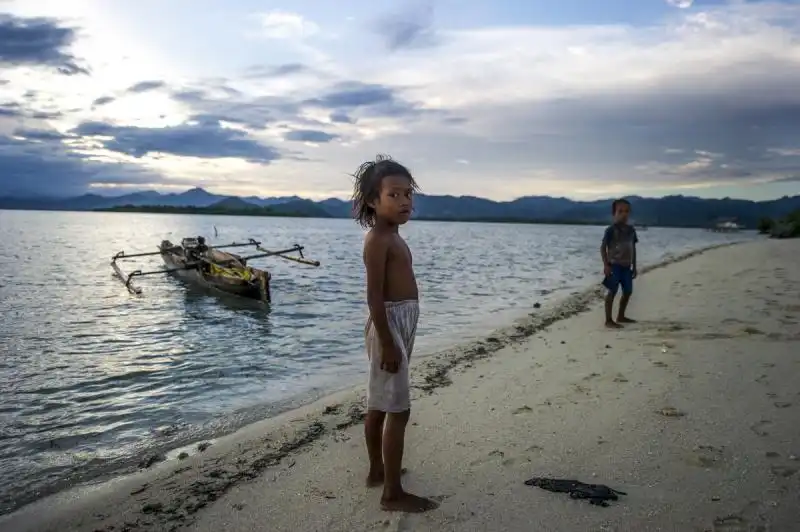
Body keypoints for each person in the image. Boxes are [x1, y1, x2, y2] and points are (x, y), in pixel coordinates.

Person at [352, 155, 438, 513]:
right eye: (394, 195)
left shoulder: (393, 235)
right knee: (397, 410)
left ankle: (377, 471)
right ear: (373, 201)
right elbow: (374, 296)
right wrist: (388, 341)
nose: (404, 201)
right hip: (388, 327)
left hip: (398, 324)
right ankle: (391, 493)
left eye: (408, 194)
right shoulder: (377, 240)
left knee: (379, 403)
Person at [601, 198, 638, 328]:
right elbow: (603, 247)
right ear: (614, 214)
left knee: (628, 291)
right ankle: (608, 320)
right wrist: (606, 265)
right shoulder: (611, 230)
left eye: (627, 211)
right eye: (620, 211)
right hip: (614, 266)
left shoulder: (631, 230)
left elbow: (633, 248)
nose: (624, 214)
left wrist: (634, 266)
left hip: (627, 266)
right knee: (612, 291)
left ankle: (621, 316)